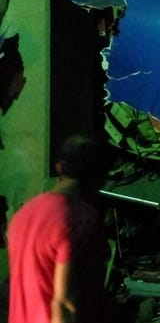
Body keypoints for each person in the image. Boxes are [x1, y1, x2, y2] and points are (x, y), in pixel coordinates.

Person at [7, 133, 111, 323]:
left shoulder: (23, 215)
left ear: (59, 167)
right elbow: (65, 303)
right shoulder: (81, 219)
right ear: (99, 178)